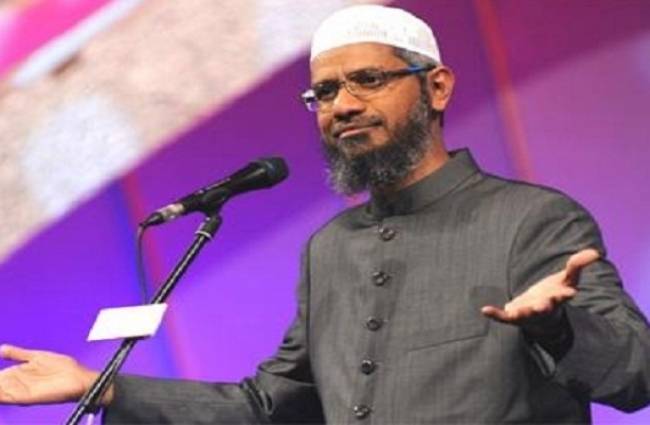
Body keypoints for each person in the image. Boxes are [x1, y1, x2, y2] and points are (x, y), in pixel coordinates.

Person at [1, 5, 649, 424]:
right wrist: (103, 386)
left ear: (437, 87)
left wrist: (559, 328)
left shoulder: (534, 220)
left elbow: (635, 378)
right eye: (325, 91)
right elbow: (269, 405)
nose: (342, 105)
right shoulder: (330, 248)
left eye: (369, 80)